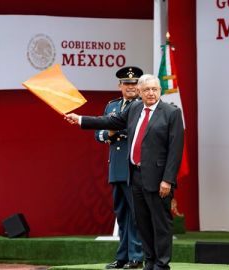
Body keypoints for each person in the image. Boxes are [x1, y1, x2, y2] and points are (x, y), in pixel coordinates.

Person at [66, 74, 184, 270]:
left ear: (160, 91)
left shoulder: (171, 113)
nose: (151, 93)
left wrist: (168, 180)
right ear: (140, 92)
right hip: (135, 176)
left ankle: (162, 265)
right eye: (146, 90)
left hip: (158, 179)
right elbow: (111, 121)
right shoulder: (135, 108)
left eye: (154, 89)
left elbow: (175, 150)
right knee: (142, 224)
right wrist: (80, 120)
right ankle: (150, 262)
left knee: (160, 225)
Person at [97, 67, 144, 269]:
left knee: (136, 215)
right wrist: (109, 134)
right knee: (122, 215)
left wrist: (116, 131)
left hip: (134, 169)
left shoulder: (144, 106)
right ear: (120, 86)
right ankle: (123, 256)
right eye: (127, 84)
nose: (130, 87)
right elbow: (98, 132)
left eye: (134, 84)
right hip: (116, 168)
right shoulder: (112, 106)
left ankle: (136, 256)